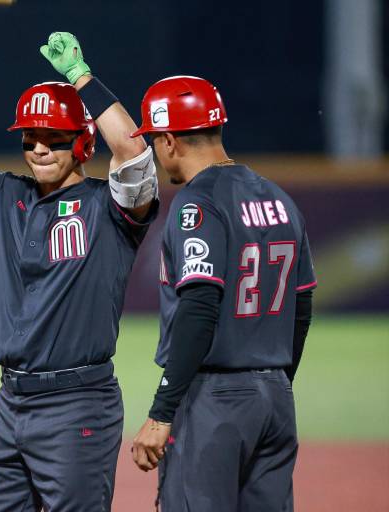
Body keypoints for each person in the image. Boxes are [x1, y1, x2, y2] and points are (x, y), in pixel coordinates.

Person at [0, 32, 158, 511]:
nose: (39, 148)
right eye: (30, 137)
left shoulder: (112, 206)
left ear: (83, 142)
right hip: (9, 403)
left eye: (54, 138)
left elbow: (136, 154)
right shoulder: (1, 195)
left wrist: (82, 78)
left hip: (78, 401)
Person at [130, 75, 317, 511]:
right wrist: (276, 383)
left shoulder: (198, 203)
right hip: (275, 398)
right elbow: (302, 306)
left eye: (154, 140)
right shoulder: (280, 199)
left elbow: (199, 305)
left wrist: (161, 412)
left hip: (214, 401)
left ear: (168, 140)